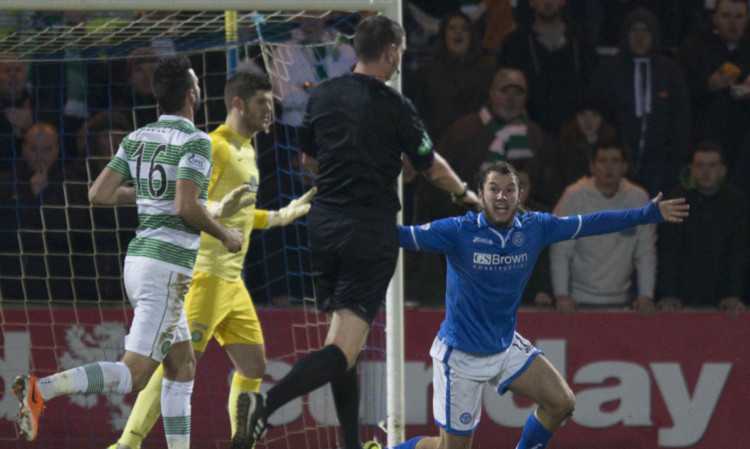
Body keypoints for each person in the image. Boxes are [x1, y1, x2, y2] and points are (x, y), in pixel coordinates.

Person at [231, 15, 480, 449]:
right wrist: (464, 194)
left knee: (343, 341)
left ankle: (349, 444)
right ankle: (266, 407)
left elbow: (309, 162)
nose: (399, 64)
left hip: (324, 227)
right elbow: (430, 165)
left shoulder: (323, 96)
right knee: (343, 349)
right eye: (398, 55)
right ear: (389, 52)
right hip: (369, 231)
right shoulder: (396, 105)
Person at [12, 56, 244, 448]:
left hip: (139, 261)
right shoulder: (196, 141)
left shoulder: (137, 137)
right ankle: (42, 389)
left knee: (182, 365)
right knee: (135, 375)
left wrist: (149, 195)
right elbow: (187, 206)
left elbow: (97, 194)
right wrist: (226, 235)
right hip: (167, 268)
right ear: (192, 95)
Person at [391, 161, 688, 449]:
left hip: (504, 346)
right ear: (480, 195)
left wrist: (647, 213)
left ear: (520, 195)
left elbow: (592, 223)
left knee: (561, 403)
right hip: (461, 357)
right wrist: (356, 223)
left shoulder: (535, 228)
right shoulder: (458, 232)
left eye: (509, 190)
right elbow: (401, 236)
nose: (501, 197)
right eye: (494, 189)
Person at [107, 70, 316, 449]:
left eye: (271, 101)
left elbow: (238, 214)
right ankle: (127, 444)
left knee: (253, 365)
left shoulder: (248, 149)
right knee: (175, 368)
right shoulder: (214, 146)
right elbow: (191, 206)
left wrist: (280, 216)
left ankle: (241, 441)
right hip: (204, 276)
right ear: (238, 103)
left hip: (232, 282)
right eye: (261, 102)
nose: (270, 109)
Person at [591, 7, 691, 198]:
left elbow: (681, 118)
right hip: (618, 164)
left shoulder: (670, 71)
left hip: (660, 164)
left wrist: (677, 159)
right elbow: (601, 112)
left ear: (654, 34)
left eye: (645, 30)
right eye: (633, 30)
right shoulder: (609, 71)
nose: (639, 36)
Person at [550, 141, 657, 316]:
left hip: (623, 301)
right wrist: (561, 295)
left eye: (615, 161)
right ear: (592, 166)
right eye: (603, 161)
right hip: (576, 302)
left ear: (624, 167)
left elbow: (645, 252)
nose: (609, 167)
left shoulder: (638, 198)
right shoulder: (574, 196)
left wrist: (646, 296)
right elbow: (560, 251)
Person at [657, 141, 748, 318]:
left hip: (723, 299)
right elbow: (668, 251)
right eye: (700, 165)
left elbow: (738, 252)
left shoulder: (736, 203)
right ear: (692, 169)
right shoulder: (675, 201)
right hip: (680, 299)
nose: (705, 171)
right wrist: (667, 294)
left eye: (712, 166)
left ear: (722, 170)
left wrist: (734, 294)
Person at [499, 0, 595, 134]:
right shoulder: (515, 44)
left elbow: (591, 89)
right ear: (531, 3)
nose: (548, 2)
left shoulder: (581, 41)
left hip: (573, 135)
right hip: (528, 132)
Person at [678, 0, 750, 171]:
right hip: (704, 144)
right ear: (714, 18)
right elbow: (679, 95)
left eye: (738, 16)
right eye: (726, 16)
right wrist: (708, 86)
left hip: (744, 147)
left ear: (747, 19)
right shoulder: (694, 47)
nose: (732, 23)